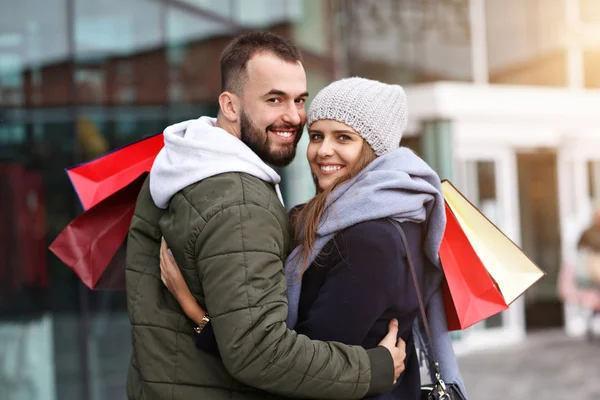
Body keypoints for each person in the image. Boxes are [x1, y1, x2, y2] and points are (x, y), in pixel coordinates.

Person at [125, 32, 407, 400]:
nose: (293, 117)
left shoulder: (185, 164)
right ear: (230, 105)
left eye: (299, 100)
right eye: (274, 99)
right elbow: (260, 350)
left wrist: (200, 316)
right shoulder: (241, 203)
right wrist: (375, 369)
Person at [160, 77, 468, 399]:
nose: (323, 151)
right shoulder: (399, 212)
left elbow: (301, 371)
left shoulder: (369, 240)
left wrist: (197, 314)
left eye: (344, 138)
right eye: (317, 135)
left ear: (375, 149)